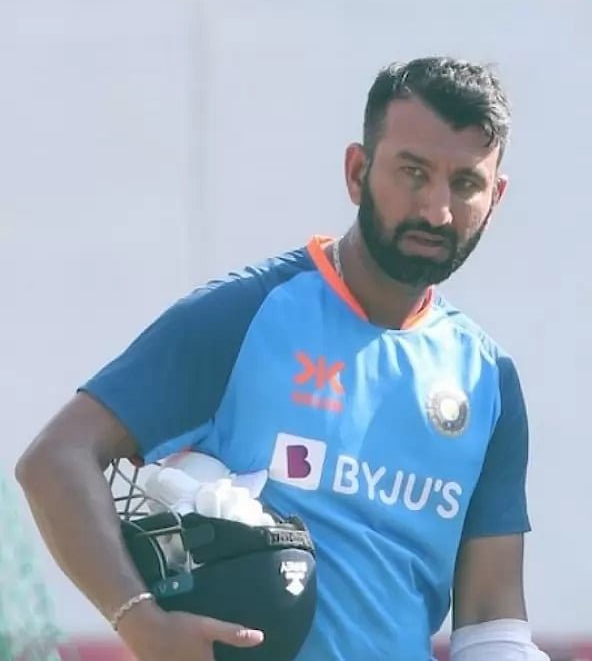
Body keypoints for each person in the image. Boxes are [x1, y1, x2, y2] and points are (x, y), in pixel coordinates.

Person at [16, 57, 549, 661]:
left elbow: (490, 620)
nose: (436, 210)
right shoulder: (243, 315)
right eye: (413, 172)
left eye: (465, 183)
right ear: (357, 172)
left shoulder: (487, 380)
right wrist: (141, 622)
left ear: (496, 196)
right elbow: (56, 460)